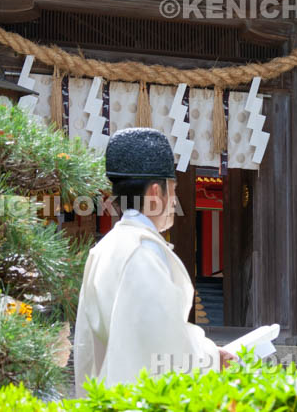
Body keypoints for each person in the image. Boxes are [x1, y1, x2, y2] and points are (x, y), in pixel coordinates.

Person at [73, 128, 233, 396]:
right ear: (156, 193)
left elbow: (92, 345)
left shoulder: (106, 248)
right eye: (174, 191)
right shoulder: (141, 253)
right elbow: (160, 344)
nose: (175, 202)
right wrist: (210, 357)